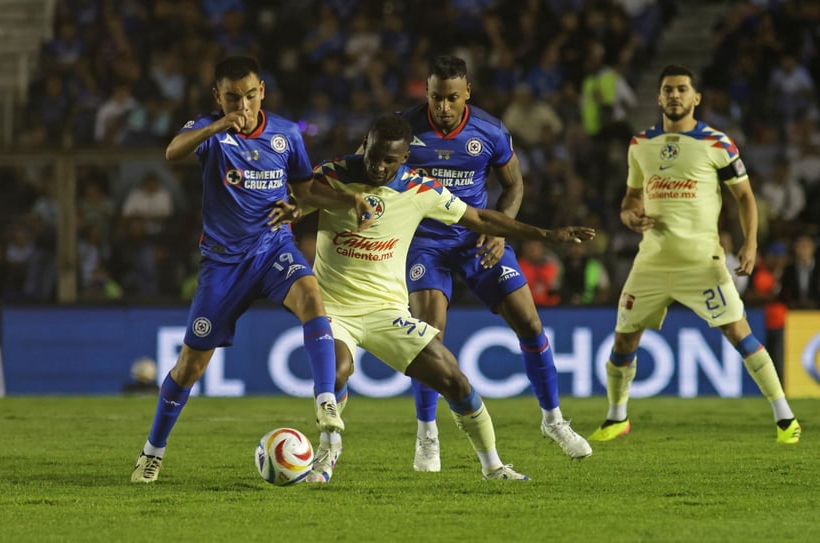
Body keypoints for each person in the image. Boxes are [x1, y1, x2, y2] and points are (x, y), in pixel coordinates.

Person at [286, 113, 595, 483]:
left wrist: (547, 235)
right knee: (337, 369)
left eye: (390, 160)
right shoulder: (332, 175)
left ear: (404, 159)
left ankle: (493, 466)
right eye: (374, 155)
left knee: (455, 380)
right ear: (365, 145)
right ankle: (327, 453)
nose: (379, 166)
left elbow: (480, 218)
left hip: (387, 311)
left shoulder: (421, 189)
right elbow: (293, 202)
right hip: (333, 308)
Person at [131, 56, 375, 483]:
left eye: (248, 95)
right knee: (190, 365)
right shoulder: (209, 130)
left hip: (272, 249)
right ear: (217, 97)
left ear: (262, 90)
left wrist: (344, 201)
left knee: (312, 298)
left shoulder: (285, 134)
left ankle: (325, 401)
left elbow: (305, 192)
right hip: (223, 264)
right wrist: (216, 126)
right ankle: (153, 451)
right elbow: (172, 151)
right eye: (231, 98)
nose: (241, 105)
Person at [396, 55, 593, 471]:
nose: (443, 107)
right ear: (426, 93)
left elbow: (514, 185)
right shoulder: (403, 129)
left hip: (478, 238)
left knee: (530, 322)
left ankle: (553, 421)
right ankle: (427, 433)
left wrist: (501, 231)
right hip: (424, 243)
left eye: (451, 98)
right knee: (428, 336)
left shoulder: (489, 130)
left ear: (467, 92)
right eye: (435, 98)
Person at [589, 64, 801, 445]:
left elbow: (746, 197)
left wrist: (750, 243)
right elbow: (631, 197)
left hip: (702, 263)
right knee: (623, 340)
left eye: (682, 89)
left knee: (739, 333)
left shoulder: (718, 143)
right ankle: (617, 417)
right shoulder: (640, 144)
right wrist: (627, 213)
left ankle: (784, 416)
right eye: (668, 89)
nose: (674, 95)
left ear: (696, 98)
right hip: (651, 262)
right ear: (658, 97)